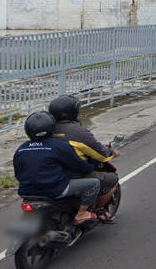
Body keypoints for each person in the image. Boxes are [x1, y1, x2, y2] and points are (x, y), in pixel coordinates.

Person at [13, 111, 100, 224]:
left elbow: (18, 172)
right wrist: (89, 168)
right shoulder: (58, 146)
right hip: (54, 190)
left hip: (26, 192)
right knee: (94, 184)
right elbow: (78, 165)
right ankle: (82, 213)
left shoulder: (21, 149)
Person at [48, 95, 120, 223]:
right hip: (70, 176)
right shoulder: (78, 132)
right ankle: (95, 211)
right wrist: (112, 152)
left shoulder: (46, 129)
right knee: (112, 180)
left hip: (48, 174)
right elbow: (101, 154)